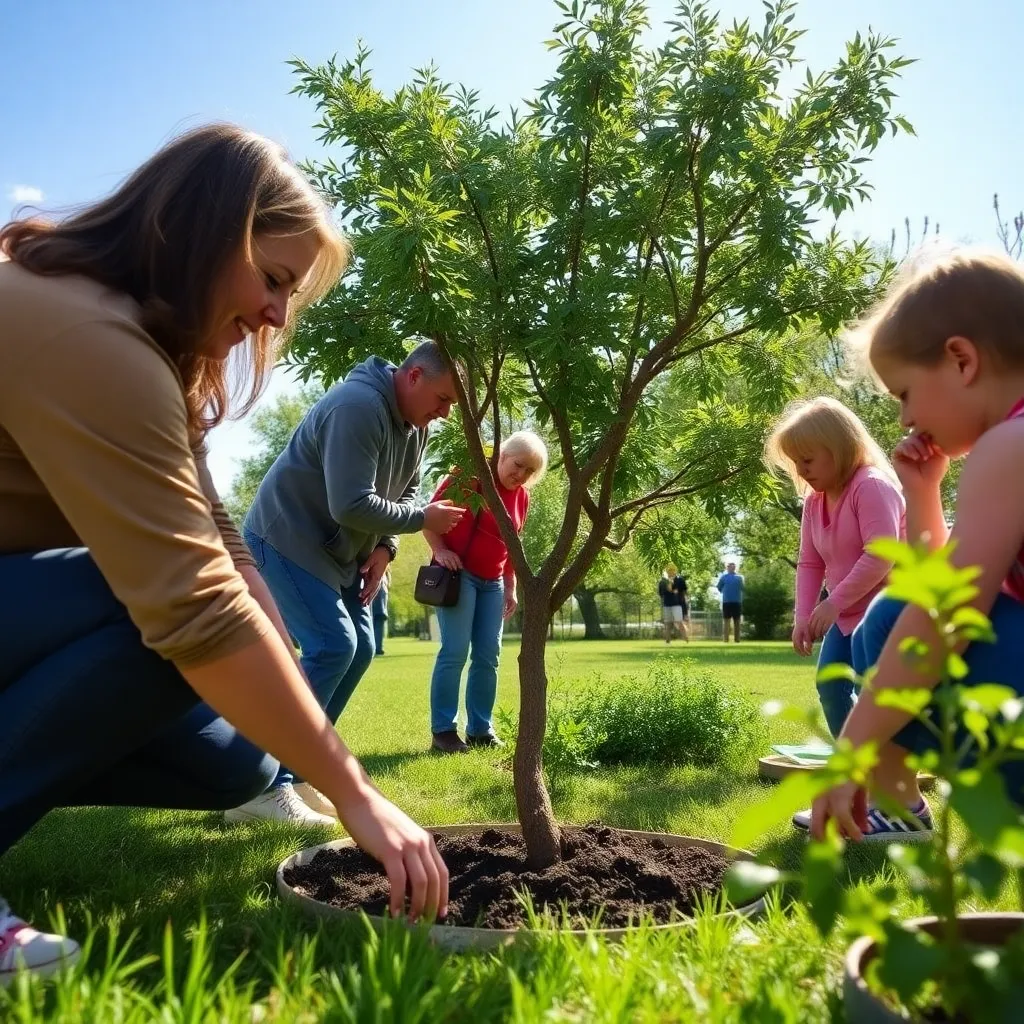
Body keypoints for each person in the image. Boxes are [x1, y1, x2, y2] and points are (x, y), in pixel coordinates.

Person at [0, 123, 448, 984]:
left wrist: (286, 705)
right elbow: (194, 603)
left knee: (234, 756)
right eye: (274, 279)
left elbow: (219, 535)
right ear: (199, 230)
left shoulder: (142, 348)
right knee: (129, 604)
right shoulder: (87, 337)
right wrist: (355, 792)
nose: (277, 314)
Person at [810, 249, 1024, 844]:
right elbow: (952, 578)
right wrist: (924, 492)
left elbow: (942, 613)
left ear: (961, 360)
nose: (904, 418)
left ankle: (897, 800)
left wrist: (851, 752)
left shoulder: (1009, 446)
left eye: (904, 392)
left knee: (890, 619)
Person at [232, 339, 466, 822]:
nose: (444, 413)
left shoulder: (412, 423)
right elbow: (350, 503)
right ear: (414, 376)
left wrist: (386, 547)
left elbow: (408, 486)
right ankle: (257, 789)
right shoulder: (358, 406)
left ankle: (295, 773)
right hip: (286, 539)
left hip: (338, 552)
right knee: (332, 645)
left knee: (358, 647)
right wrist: (422, 518)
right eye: (443, 399)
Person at [765, 397, 906, 739]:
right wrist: (803, 616)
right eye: (796, 462)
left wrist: (833, 602)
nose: (801, 470)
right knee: (832, 687)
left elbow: (881, 555)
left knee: (880, 697)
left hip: (886, 613)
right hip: (846, 618)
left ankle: (892, 774)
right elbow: (810, 562)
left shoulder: (870, 486)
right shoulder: (815, 500)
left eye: (808, 459)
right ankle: (855, 769)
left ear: (840, 448)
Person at [425, 432, 548, 753]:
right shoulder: (470, 475)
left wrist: (512, 586)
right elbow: (429, 516)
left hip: (493, 583)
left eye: (529, 472)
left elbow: (511, 542)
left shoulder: (521, 496)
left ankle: (480, 729)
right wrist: (439, 551)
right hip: (458, 574)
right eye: (518, 465)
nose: (520, 475)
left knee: (488, 656)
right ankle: (443, 732)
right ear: (503, 454)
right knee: (454, 652)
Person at [717, 563, 745, 642]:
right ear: (727, 568)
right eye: (730, 566)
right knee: (726, 621)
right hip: (726, 602)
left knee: (737, 621)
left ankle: (737, 639)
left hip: (737, 602)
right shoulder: (723, 577)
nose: (732, 568)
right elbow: (719, 587)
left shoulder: (739, 578)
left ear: (735, 568)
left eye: (733, 566)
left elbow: (743, 588)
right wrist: (724, 592)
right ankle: (726, 639)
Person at [658, 566, 682, 643]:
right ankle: (669, 638)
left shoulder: (663, 581)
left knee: (671, 622)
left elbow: (660, 594)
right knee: (670, 623)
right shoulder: (664, 582)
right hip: (670, 604)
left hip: (669, 604)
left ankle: (671, 637)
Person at [372, 569, 390, 656]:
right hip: (379, 607)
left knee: (376, 625)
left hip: (378, 606)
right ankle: (377, 648)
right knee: (377, 625)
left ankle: (377, 648)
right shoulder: (383, 577)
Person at [673, 568, 691, 642]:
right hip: (679, 603)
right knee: (678, 622)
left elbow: (685, 591)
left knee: (679, 621)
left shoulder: (679, 580)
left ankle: (686, 635)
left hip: (679, 603)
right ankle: (685, 635)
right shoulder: (670, 581)